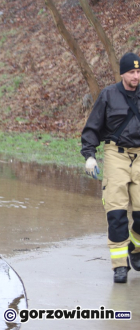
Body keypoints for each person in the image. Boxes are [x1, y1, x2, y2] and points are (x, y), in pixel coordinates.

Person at [82, 52, 140, 283]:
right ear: (122, 73)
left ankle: (135, 247)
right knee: (116, 213)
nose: (136, 76)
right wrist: (89, 155)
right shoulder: (108, 95)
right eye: (132, 72)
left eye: (138, 72)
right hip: (116, 155)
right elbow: (92, 128)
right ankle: (120, 266)